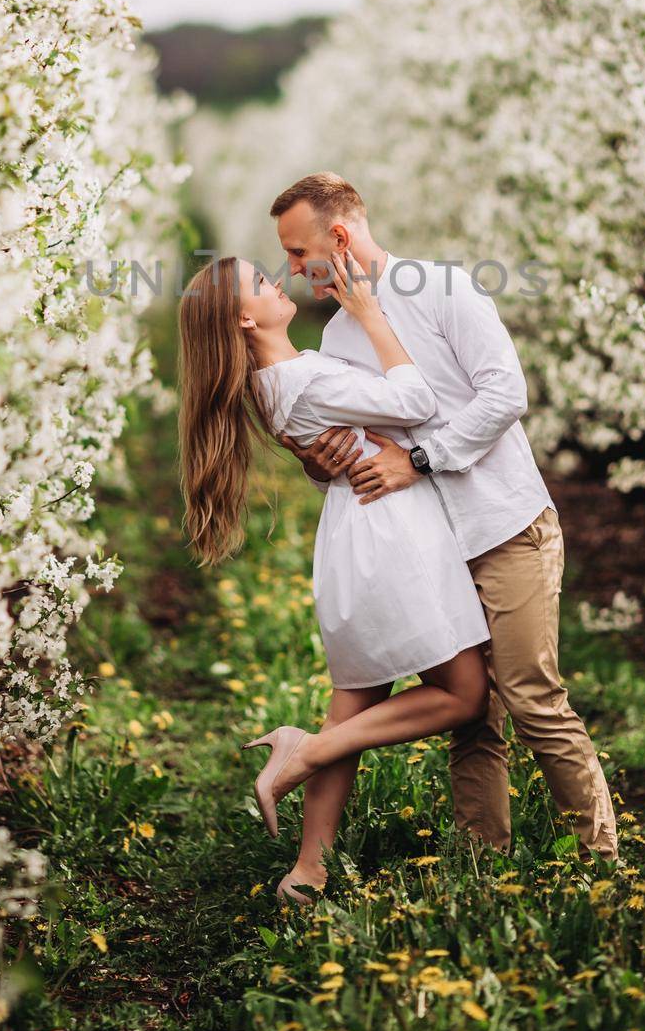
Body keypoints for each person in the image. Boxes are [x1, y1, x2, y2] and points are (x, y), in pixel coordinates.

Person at [270, 172, 618, 863]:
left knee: (531, 697)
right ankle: (480, 865)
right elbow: (351, 452)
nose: (291, 269)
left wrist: (419, 459)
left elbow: (503, 395)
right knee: (473, 715)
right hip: (427, 546)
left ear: (337, 237)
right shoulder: (338, 335)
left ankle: (600, 860)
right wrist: (318, 459)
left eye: (295, 251)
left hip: (504, 524)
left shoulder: (442, 289)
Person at [178, 251, 490, 902]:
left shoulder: (275, 380)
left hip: (354, 540)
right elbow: (415, 400)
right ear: (242, 316)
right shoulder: (298, 375)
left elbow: (332, 439)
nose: (278, 280)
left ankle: (308, 869)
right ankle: (304, 751)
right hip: (389, 537)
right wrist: (370, 312)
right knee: (463, 695)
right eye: (262, 283)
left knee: (355, 701)